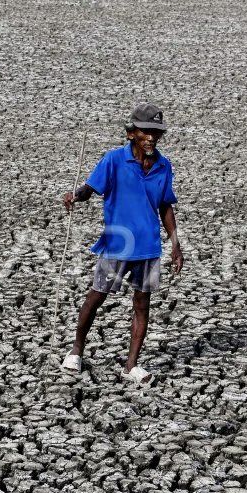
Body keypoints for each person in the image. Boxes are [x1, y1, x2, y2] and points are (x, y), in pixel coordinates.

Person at [60, 103, 184, 384]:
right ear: (131, 133)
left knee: (142, 304)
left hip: (149, 247)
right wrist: (75, 197)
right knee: (97, 295)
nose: (151, 137)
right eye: (145, 131)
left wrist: (175, 244)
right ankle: (76, 351)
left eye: (156, 132)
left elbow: (166, 207)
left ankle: (131, 366)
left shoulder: (164, 167)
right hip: (118, 245)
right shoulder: (114, 160)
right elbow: (89, 190)